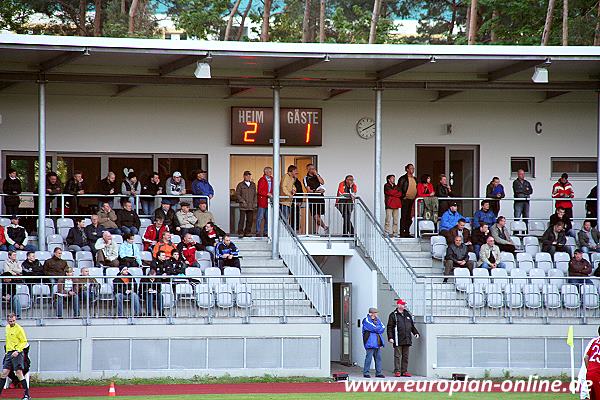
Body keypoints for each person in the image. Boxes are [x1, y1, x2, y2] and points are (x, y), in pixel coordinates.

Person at [0, 313, 31, 400]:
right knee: (4, 373)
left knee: (19, 373)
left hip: (17, 352)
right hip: (9, 353)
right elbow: (8, 341)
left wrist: (17, 350)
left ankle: (27, 395)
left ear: (15, 319)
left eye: (13, 320)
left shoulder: (19, 329)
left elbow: (24, 341)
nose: (12, 322)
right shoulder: (7, 328)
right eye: (10, 321)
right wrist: (7, 352)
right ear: (7, 321)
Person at [387, 299, 420, 377]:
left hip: (407, 338)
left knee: (406, 356)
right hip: (398, 338)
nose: (404, 305)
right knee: (397, 356)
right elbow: (390, 327)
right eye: (402, 304)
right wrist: (390, 337)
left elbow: (411, 326)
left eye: (404, 304)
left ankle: (404, 371)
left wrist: (416, 333)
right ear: (398, 305)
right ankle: (397, 371)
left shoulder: (407, 314)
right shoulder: (393, 315)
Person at [304, 164, 329, 234]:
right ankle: (325, 227)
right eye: (311, 169)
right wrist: (316, 191)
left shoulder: (317, 176)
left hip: (320, 198)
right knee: (315, 216)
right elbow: (308, 190)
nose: (313, 170)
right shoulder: (306, 178)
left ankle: (316, 232)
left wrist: (317, 175)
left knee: (318, 216)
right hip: (312, 199)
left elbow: (322, 182)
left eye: (314, 168)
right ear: (308, 169)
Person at [362, 307, 385, 378]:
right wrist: (377, 328)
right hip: (370, 342)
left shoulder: (378, 320)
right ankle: (366, 372)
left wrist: (376, 329)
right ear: (371, 313)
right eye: (375, 313)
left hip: (377, 342)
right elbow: (372, 327)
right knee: (368, 358)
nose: (376, 314)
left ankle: (379, 372)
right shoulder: (366, 320)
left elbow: (383, 327)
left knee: (378, 358)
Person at [397, 164, 418, 238]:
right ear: (407, 169)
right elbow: (399, 189)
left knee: (409, 217)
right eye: (411, 168)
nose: (413, 170)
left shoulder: (415, 179)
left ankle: (407, 232)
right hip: (405, 200)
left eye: (413, 168)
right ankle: (402, 233)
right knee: (404, 216)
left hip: (412, 200)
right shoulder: (403, 178)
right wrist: (403, 196)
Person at [235, 171, 257, 237]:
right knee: (242, 219)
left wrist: (255, 202)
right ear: (244, 176)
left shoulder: (253, 185)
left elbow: (255, 194)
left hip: (251, 205)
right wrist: (242, 201)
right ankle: (240, 232)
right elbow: (237, 194)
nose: (248, 177)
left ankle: (247, 232)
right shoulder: (240, 184)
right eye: (247, 175)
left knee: (250, 220)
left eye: (249, 175)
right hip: (243, 205)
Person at [256, 167, 273, 237]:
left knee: (268, 218)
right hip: (262, 201)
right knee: (260, 217)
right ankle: (258, 231)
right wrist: (267, 193)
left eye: (271, 171)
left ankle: (266, 232)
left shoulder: (272, 179)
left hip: (269, 202)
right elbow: (259, 191)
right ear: (265, 172)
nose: (270, 173)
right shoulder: (262, 180)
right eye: (269, 171)